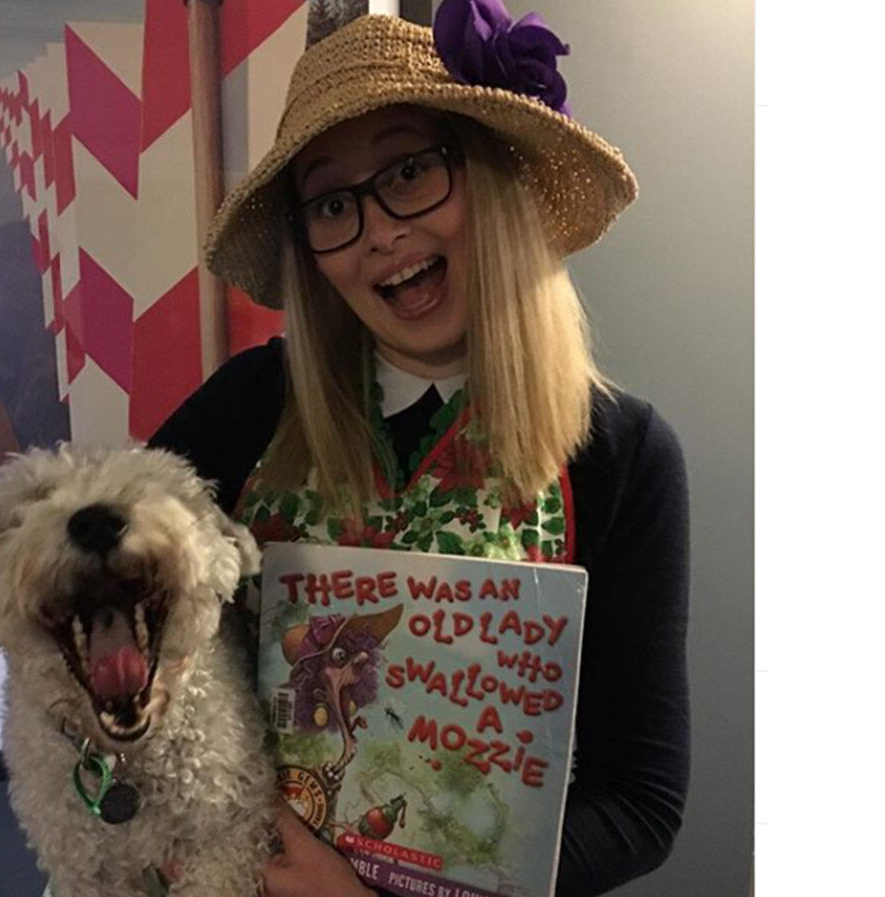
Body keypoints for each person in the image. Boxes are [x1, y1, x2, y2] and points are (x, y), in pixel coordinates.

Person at [150, 5, 689, 897]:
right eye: (332, 203)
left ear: (490, 176)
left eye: (409, 170)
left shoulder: (621, 453)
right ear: (310, 250)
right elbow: (99, 609)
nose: (378, 230)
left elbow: (640, 802)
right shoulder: (247, 407)